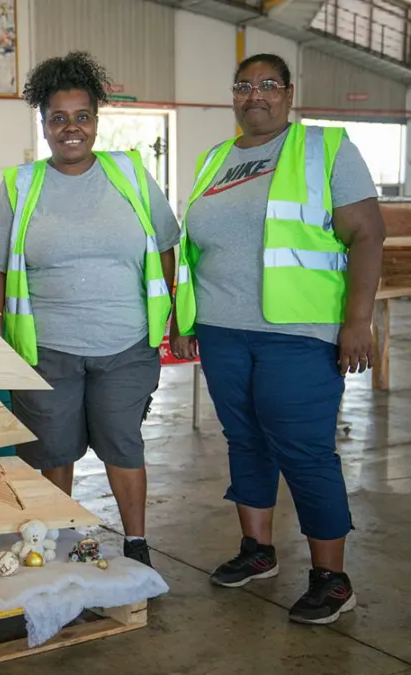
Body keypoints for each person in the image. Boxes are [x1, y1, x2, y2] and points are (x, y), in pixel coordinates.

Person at [170, 54, 384, 624]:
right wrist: (183, 320)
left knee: (306, 453)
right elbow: (196, 250)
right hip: (222, 330)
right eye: (244, 85)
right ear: (233, 96)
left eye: (268, 84)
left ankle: (331, 580)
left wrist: (357, 320)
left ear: (289, 94)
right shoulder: (216, 158)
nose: (255, 94)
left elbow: (366, 234)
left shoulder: (325, 148)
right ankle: (257, 552)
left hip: (298, 332)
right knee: (244, 441)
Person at [0, 52, 180, 567]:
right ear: (43, 124)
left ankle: (136, 541)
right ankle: (56, 537)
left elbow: (165, 247)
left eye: (81, 116)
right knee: (52, 450)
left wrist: (170, 313)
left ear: (96, 120)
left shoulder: (131, 173)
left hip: (126, 344)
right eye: (58, 118)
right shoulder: (20, 185)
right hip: (47, 350)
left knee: (123, 445)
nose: (71, 128)